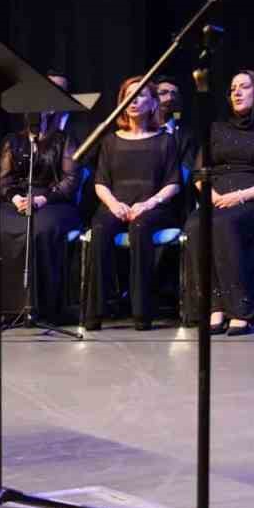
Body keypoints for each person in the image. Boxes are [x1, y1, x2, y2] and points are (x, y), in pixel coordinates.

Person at [185, 70, 254, 335]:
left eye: (244, 87)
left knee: (226, 223)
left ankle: (240, 309)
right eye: (233, 88)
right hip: (218, 200)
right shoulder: (218, 128)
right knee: (195, 225)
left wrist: (241, 196)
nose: (236, 92)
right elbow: (199, 173)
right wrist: (211, 196)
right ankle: (214, 306)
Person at [0, 73, 83, 323]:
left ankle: (39, 307)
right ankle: (1, 308)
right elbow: (4, 180)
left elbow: (70, 180)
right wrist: (16, 198)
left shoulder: (65, 139)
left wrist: (41, 199)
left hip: (53, 202)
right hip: (16, 200)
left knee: (38, 231)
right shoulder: (12, 140)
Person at [83, 77, 184, 330]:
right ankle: (96, 311)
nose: (133, 101)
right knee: (100, 228)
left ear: (152, 104)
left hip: (154, 207)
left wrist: (149, 203)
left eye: (140, 95)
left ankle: (141, 311)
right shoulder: (110, 141)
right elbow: (100, 182)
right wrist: (113, 204)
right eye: (129, 96)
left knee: (140, 228)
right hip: (116, 204)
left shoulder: (166, 140)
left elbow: (173, 183)